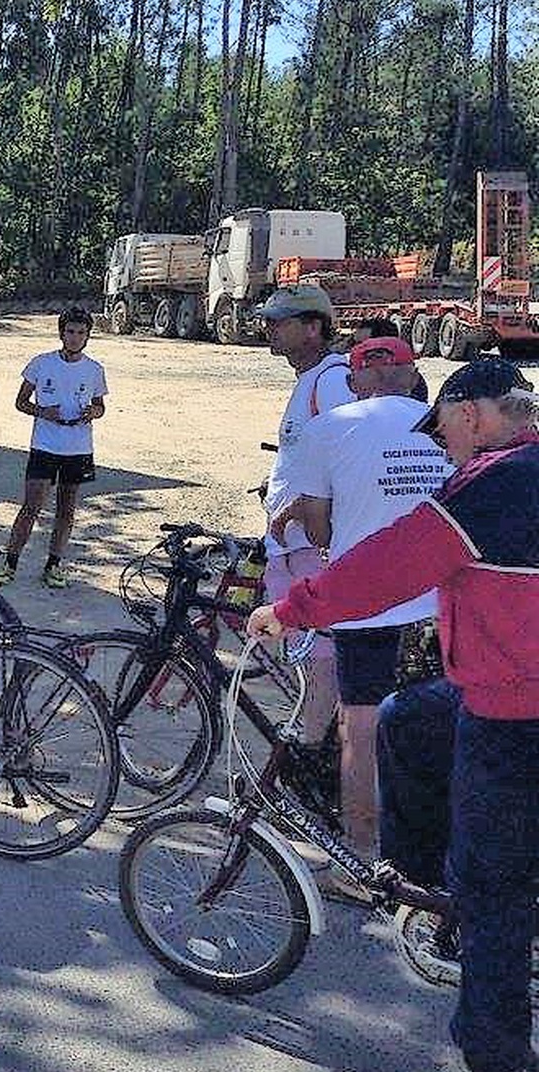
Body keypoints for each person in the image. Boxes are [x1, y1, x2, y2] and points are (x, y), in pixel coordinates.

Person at [249, 358, 539, 1072]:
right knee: (410, 716)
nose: (443, 448)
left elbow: (392, 564)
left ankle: (494, 1048)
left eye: (444, 431)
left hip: (514, 710)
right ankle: (427, 889)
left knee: (495, 888)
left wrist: (291, 611)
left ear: (472, 413)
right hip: (488, 689)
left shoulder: (501, 481)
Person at [267, 336, 451, 869]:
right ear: (411, 374)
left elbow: (322, 528)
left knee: (361, 730)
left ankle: (361, 856)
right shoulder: (447, 425)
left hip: (365, 604)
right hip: (439, 603)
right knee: (428, 724)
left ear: (356, 379)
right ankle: (426, 845)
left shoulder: (330, 429)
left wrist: (302, 511)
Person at [257, 283, 355, 751]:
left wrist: (305, 512)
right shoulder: (310, 379)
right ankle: (316, 728)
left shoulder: (332, 379)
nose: (269, 328)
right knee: (304, 644)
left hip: (311, 541)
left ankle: (314, 742)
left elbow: (346, 459)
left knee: (321, 647)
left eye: (281, 321)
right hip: (291, 540)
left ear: (313, 328)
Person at [0, 307, 107, 589]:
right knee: (31, 506)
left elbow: (101, 406)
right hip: (45, 445)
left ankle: (54, 566)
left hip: (78, 447)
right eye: (70, 332)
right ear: (61, 333)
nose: (75, 338)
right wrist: (43, 412)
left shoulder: (94, 369)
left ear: (88, 336)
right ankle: (10, 563)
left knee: (66, 509)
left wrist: (93, 412)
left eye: (81, 333)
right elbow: (20, 402)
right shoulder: (41, 364)